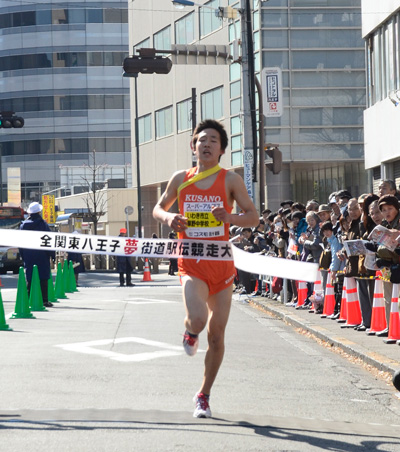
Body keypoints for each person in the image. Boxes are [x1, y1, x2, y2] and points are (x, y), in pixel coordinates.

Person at [153, 119, 258, 418]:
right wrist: (169, 219)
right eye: (202, 140)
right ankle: (189, 332)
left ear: (222, 149)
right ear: (193, 146)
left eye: (213, 140)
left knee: (217, 336)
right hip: (192, 262)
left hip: (222, 267)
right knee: (198, 320)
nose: (207, 144)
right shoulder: (180, 178)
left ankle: (203, 395)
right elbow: (158, 208)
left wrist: (229, 217)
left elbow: (253, 217)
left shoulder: (230, 180)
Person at [19, 202, 55, 308]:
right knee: (43, 277)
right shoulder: (43, 224)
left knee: (30, 276)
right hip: (42, 255)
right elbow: (49, 241)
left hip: (28, 254)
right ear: (39, 211)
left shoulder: (23, 225)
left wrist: (23, 255)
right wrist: (52, 255)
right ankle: (44, 300)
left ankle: (29, 299)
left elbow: (20, 242)